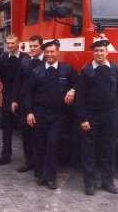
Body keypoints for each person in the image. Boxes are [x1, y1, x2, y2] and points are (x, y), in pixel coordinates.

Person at [25, 39, 77, 190]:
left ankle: (51, 178)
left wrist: (72, 89)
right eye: (47, 52)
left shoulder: (66, 70)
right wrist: (29, 112)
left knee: (53, 144)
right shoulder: (37, 72)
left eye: (52, 52)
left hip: (58, 115)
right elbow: (29, 93)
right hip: (39, 114)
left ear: (57, 53)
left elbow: (79, 81)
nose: (49, 54)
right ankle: (41, 175)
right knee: (40, 145)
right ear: (44, 53)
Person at [75, 39, 118, 196]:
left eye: (101, 50)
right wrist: (83, 118)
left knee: (108, 149)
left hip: (109, 115)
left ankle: (107, 182)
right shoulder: (87, 70)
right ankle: (90, 183)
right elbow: (80, 97)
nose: (99, 53)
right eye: (96, 51)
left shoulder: (115, 69)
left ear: (107, 52)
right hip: (91, 116)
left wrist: (114, 110)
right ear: (93, 53)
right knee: (89, 150)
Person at [11, 35, 44, 173]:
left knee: (40, 135)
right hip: (25, 102)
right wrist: (14, 100)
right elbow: (18, 82)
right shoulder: (24, 62)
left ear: (41, 46)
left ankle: (40, 165)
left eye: (35, 46)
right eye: (31, 46)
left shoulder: (47, 61)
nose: (32, 49)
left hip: (40, 103)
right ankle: (29, 162)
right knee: (26, 134)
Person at [0, 33, 27, 165]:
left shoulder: (25, 59)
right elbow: (1, 76)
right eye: (8, 43)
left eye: (12, 43)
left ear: (18, 43)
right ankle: (5, 155)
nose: (10, 46)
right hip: (8, 96)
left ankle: (29, 159)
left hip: (22, 97)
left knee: (25, 129)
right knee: (7, 128)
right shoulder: (2, 59)